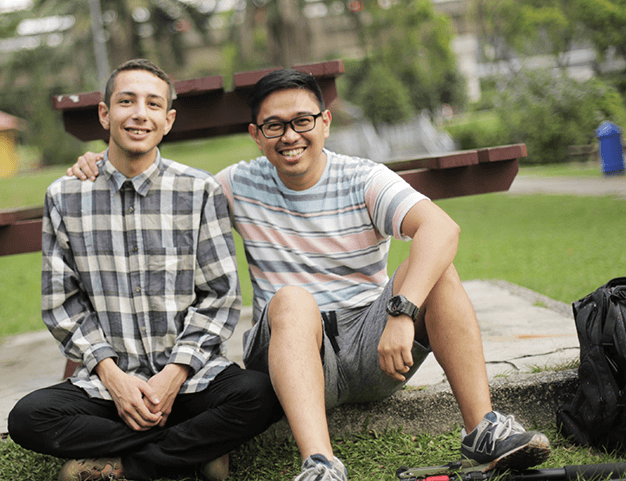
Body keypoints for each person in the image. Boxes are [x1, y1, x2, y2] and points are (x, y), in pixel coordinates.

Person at [69, 68, 551, 481]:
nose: (290, 136)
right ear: (256, 134)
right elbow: (165, 197)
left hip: (372, 342)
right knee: (293, 299)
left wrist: (402, 314)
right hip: (287, 348)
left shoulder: (363, 177)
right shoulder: (235, 183)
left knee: (439, 270)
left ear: (325, 123)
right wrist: (99, 163)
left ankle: (483, 428)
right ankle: (320, 462)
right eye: (274, 126)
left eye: (302, 121)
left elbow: (441, 229)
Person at [8, 59, 283, 481]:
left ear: (168, 120)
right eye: (126, 101)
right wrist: (113, 376)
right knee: (28, 418)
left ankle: (127, 466)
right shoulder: (66, 196)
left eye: (154, 104)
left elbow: (221, 295)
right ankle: (193, 453)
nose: (140, 113)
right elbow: (62, 304)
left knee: (260, 394)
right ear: (105, 114)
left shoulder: (199, 190)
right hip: (109, 383)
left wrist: (174, 374)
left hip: (191, 379)